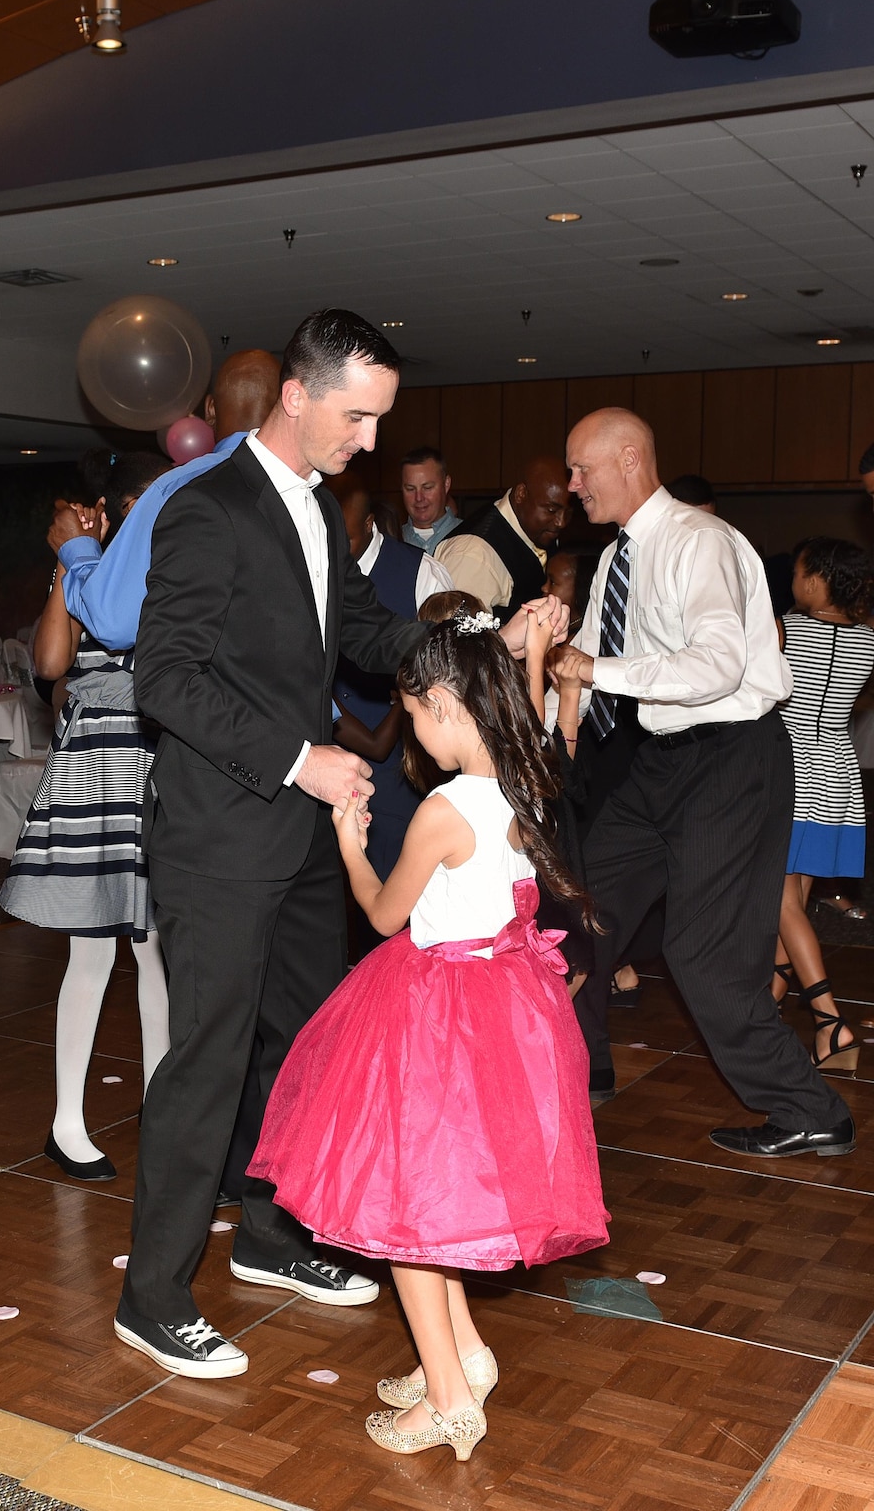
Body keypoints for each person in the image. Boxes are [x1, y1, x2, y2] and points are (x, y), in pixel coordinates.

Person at [115, 309, 561, 1380]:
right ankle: (151, 1292)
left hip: (300, 832)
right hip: (223, 830)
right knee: (207, 1059)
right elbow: (161, 677)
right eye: (356, 416)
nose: (368, 440)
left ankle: (271, 1237)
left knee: (304, 1045)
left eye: (378, 419)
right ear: (298, 396)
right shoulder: (205, 507)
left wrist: (478, 646)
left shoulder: (312, 510)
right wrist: (295, 757)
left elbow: (364, 634)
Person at [251, 613, 608, 1462]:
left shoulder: (444, 811)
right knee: (440, 1203)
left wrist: (349, 844)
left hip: (435, 1014)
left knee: (408, 1215)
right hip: (502, 1003)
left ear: (447, 703)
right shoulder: (522, 782)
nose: (407, 730)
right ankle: (465, 1357)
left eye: (413, 713)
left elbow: (382, 915)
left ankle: (449, 1401)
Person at [551, 407, 853, 1158]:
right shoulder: (619, 557)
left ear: (629, 458)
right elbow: (579, 663)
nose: (572, 484)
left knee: (705, 957)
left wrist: (594, 669)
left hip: (729, 760)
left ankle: (810, 1109)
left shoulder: (700, 542)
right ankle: (568, 1074)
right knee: (576, 914)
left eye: (582, 469)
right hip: (660, 764)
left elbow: (716, 665)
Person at [0, 450, 174, 1182]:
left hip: (163, 760)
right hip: (97, 763)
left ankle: (162, 1104)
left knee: (157, 946)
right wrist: (68, 569)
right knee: (93, 948)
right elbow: (47, 665)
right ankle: (67, 1121)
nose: (133, 515)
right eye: (124, 503)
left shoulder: (175, 560)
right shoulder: (88, 572)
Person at [53, 348, 282, 648]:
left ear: (210, 408)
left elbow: (113, 622)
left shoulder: (178, 488)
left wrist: (77, 551)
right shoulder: (312, 492)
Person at [772, 537, 874, 1073]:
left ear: (816, 581)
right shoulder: (869, 638)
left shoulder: (788, 628)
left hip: (792, 778)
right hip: (839, 780)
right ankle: (768, 1004)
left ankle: (830, 1022)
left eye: (797, 571)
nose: (792, 580)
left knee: (781, 904)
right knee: (799, 904)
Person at [331, 474, 453, 884]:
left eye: (345, 540)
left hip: (402, 777)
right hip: (325, 773)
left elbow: (447, 665)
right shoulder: (314, 566)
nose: (337, 553)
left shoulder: (422, 573)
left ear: (369, 525)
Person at [434, 457, 572, 622]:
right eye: (551, 510)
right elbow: (459, 642)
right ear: (521, 494)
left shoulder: (536, 532)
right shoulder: (473, 555)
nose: (561, 522)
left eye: (568, 513)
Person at [399, 447, 462, 554]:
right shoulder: (391, 541)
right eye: (410, 489)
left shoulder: (469, 536)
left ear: (446, 484)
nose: (419, 497)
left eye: (427, 487)